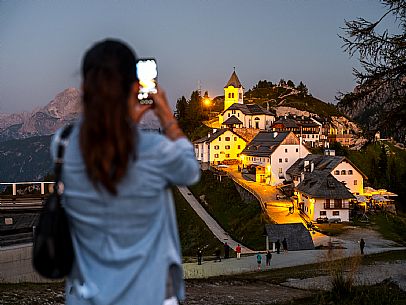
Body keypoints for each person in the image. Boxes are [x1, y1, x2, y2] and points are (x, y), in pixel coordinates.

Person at [51, 39, 200, 305]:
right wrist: (166, 116)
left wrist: (124, 121)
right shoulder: (154, 150)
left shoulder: (63, 144)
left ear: (85, 89)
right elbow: (189, 169)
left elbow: (106, 146)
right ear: (135, 88)